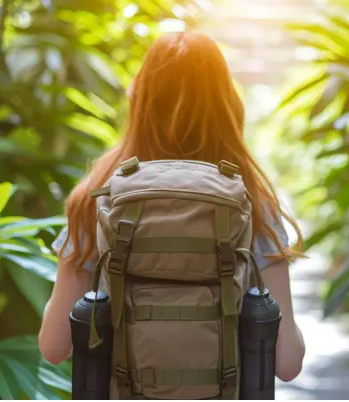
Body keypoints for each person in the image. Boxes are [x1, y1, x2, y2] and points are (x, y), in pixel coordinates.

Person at [38, 30, 306, 383]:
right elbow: (287, 363)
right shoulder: (252, 202)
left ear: (141, 101)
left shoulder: (98, 198)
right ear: (227, 105)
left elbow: (54, 346)